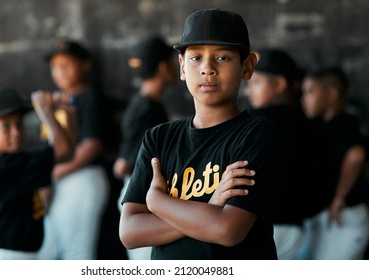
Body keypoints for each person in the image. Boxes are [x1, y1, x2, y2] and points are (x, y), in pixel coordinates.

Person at [119, 8, 282, 260]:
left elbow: (227, 230)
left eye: (223, 58)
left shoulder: (256, 134)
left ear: (247, 67)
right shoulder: (159, 138)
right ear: (182, 67)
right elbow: (130, 232)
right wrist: (209, 209)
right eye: (196, 58)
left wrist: (158, 203)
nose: (208, 69)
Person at [0, 87, 73, 259]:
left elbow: (68, 150)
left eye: (19, 123)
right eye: (5, 126)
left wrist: (68, 111)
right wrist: (46, 111)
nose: (16, 132)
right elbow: (63, 150)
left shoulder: (16, 161)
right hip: (5, 259)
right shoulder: (3, 166)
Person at [243, 49, 321, 259]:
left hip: (269, 229)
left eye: (256, 82)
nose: (248, 91)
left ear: (279, 84)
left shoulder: (257, 122)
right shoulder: (309, 122)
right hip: (298, 229)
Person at [37, 40, 110, 260]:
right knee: (51, 251)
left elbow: (92, 146)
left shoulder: (90, 97)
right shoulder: (54, 100)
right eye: (56, 66)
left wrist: (52, 173)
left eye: (67, 64)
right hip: (59, 181)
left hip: (82, 177)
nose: (61, 70)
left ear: (85, 65)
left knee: (77, 254)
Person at [113, 35, 176, 259]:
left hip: (142, 196)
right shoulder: (148, 109)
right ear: (162, 67)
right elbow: (123, 165)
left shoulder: (141, 102)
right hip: (141, 197)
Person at [300, 67, 369, 259]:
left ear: (331, 94)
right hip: (334, 218)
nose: (304, 98)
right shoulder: (324, 126)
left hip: (344, 217)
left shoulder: (341, 124)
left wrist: (338, 197)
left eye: (311, 92)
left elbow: (356, 155)